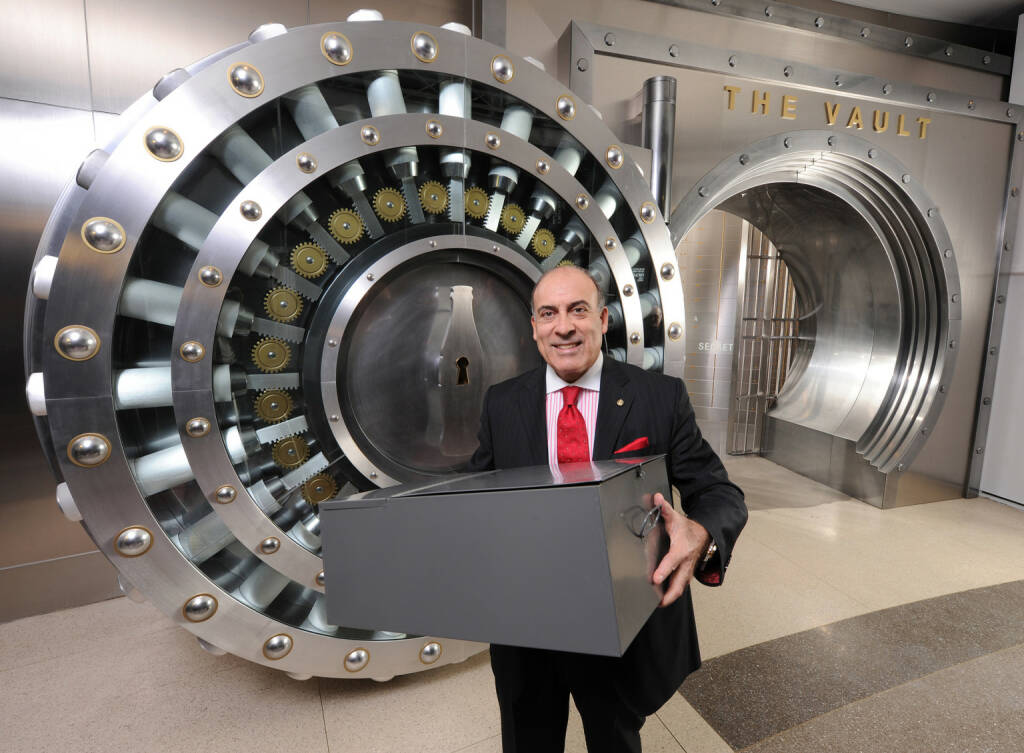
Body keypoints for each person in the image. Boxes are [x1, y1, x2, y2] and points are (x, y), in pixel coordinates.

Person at [467, 264, 747, 753]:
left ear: (601, 319)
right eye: (549, 314)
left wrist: (700, 533)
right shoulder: (502, 404)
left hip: (619, 620)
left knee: (614, 737)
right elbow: (478, 499)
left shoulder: (659, 397)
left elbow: (718, 492)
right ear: (534, 328)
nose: (564, 326)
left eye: (578, 310)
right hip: (526, 622)